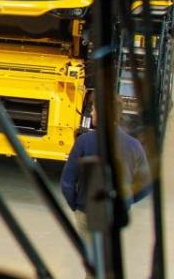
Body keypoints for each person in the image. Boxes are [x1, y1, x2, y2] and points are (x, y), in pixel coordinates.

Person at [60, 98, 152, 230]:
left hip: (87, 211)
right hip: (116, 213)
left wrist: (76, 206)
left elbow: (67, 182)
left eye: (94, 109)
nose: (91, 113)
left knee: (89, 249)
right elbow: (146, 184)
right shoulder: (134, 146)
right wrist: (126, 202)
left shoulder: (84, 141)